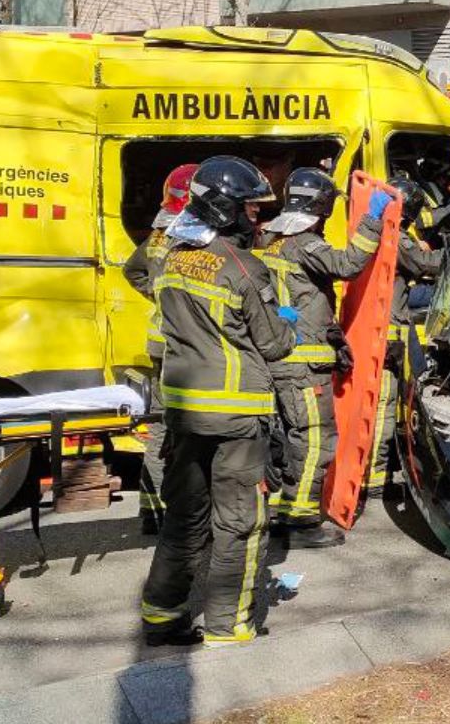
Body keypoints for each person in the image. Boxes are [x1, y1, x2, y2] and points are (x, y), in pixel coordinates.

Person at [140, 157, 294, 649]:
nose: (256, 219)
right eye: (250, 209)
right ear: (226, 208)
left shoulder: (169, 257)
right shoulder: (244, 268)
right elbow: (274, 345)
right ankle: (230, 625)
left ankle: (161, 616)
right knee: (239, 524)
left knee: (184, 518)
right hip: (236, 419)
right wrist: (283, 317)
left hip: (184, 412)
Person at [257, 169, 394, 548]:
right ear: (323, 207)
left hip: (280, 359)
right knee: (314, 438)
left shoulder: (270, 238)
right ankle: (300, 522)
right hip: (302, 364)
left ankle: (287, 509)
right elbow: (349, 264)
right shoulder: (303, 244)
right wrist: (372, 219)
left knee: (289, 440)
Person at [122, 163, 200, 535]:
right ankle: (175, 512)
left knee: (158, 429)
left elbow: (132, 270)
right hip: (180, 344)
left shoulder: (156, 235)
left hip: (159, 342)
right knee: (179, 430)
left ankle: (151, 511)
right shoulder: (184, 234)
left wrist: (154, 293)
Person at [370, 177, 443, 495]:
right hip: (390, 333)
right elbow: (423, 262)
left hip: (376, 329)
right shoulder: (394, 235)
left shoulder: (368, 228)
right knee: (387, 404)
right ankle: (376, 478)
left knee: (379, 404)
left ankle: (375, 475)